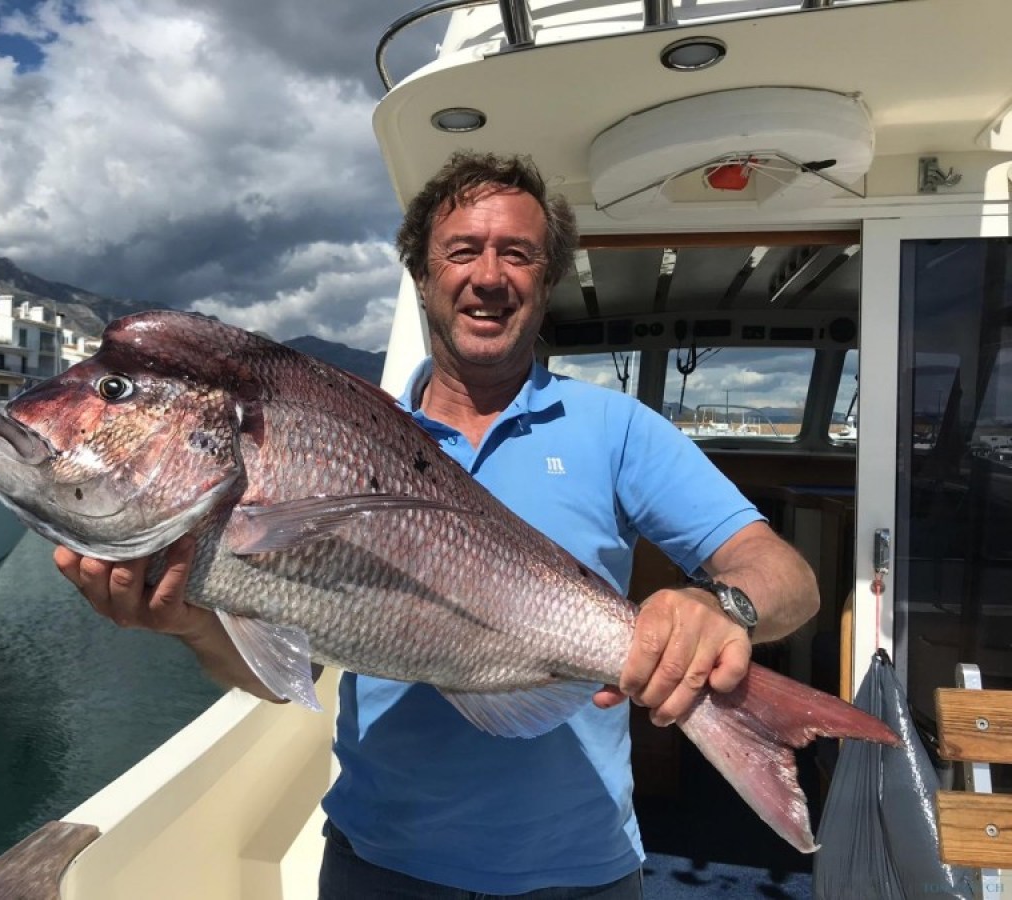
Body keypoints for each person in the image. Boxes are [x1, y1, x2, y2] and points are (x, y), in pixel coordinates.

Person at [54, 151, 819, 898]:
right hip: (378, 865)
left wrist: (724, 609)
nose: (488, 275)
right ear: (423, 277)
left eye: (516, 253)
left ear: (544, 282)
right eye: (462, 251)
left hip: (580, 870)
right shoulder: (345, 442)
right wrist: (189, 626)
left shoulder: (617, 428)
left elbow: (787, 576)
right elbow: (281, 681)